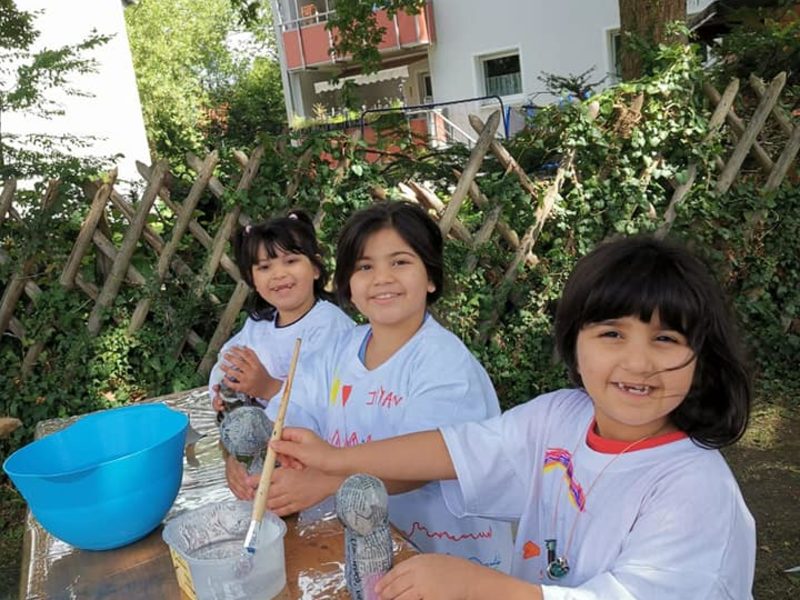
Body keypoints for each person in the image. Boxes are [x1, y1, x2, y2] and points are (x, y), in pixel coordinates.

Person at [271, 235, 756, 600]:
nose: (637, 362)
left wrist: (477, 586)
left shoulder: (694, 488)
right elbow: (455, 450)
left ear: (701, 355)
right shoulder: (561, 416)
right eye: (612, 334)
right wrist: (334, 459)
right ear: (574, 342)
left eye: (666, 339)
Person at [228, 201, 513, 572]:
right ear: (348, 283)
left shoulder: (446, 365)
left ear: (430, 277)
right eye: (365, 266)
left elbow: (422, 463)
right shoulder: (337, 350)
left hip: (442, 557)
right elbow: (292, 411)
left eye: (400, 262)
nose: (382, 278)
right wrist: (253, 457)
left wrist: (325, 481)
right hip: (362, 544)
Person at [209, 209, 353, 409]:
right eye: (264, 267)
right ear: (252, 280)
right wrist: (220, 391)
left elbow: (334, 400)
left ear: (315, 268)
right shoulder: (258, 324)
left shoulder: (330, 326)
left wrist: (269, 388)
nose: (278, 274)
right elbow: (227, 360)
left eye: (290, 261)